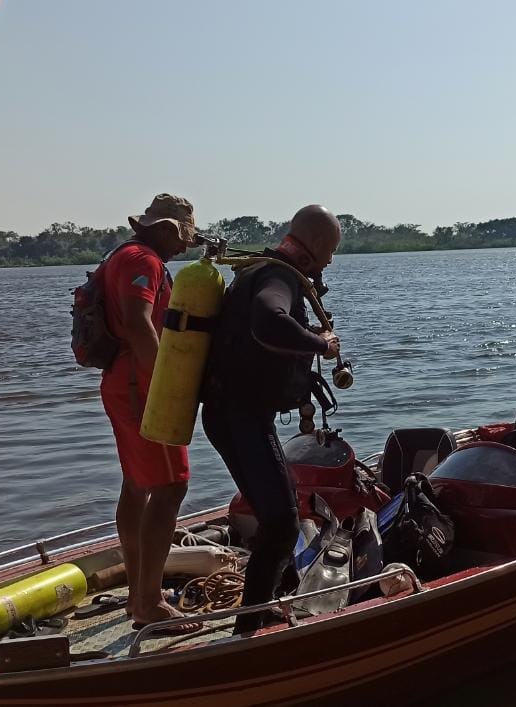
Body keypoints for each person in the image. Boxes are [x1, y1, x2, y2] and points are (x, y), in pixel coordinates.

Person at [202, 204, 342, 633]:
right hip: (241, 416)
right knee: (282, 522)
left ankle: (278, 595)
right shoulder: (278, 276)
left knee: (274, 512)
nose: (331, 260)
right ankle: (249, 631)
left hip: (228, 415)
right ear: (316, 243)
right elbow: (268, 321)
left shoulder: (259, 269)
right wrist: (322, 345)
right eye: (331, 249)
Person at [101, 193, 200, 632]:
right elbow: (139, 321)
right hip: (141, 386)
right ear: (164, 229)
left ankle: (137, 595)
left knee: (136, 485)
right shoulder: (145, 260)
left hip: (121, 379)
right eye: (181, 237)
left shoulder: (122, 254)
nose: (182, 247)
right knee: (170, 488)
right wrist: (168, 388)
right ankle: (148, 603)